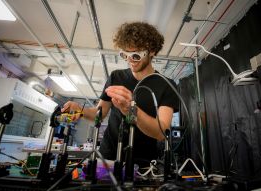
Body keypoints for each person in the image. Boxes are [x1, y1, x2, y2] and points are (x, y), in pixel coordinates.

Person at [61, 22, 179, 166]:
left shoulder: (166, 85)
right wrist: (79, 110)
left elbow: (162, 132)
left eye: (135, 55)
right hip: (108, 156)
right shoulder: (116, 77)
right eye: (125, 55)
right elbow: (99, 115)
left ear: (152, 51)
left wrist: (131, 109)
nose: (130, 61)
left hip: (143, 163)